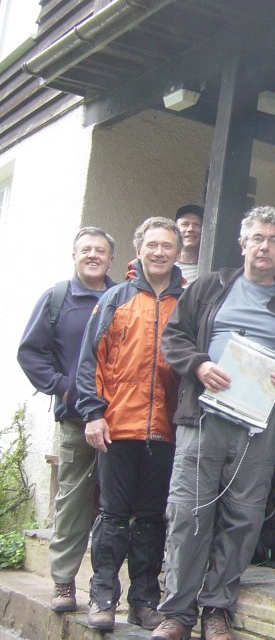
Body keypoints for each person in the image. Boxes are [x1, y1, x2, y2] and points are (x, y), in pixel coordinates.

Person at [153, 206, 275, 640]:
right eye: (257, 238)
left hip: (258, 425)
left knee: (242, 519)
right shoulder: (210, 288)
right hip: (203, 417)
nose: (264, 246)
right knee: (187, 512)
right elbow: (173, 337)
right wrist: (198, 364)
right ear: (243, 244)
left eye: (273, 240)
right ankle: (176, 613)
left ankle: (217, 609)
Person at [75, 217, 184, 631]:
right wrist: (92, 413)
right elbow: (90, 361)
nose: (159, 252)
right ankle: (102, 598)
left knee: (153, 518)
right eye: (152, 244)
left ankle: (144, 601)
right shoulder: (115, 298)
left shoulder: (187, 303)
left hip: (168, 429)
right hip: (117, 426)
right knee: (113, 516)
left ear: (176, 253)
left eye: (167, 246)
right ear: (139, 250)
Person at [17, 227, 116, 613]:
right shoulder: (58, 298)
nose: (93, 256)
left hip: (121, 420)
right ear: (74, 256)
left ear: (111, 258)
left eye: (101, 251)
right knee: (73, 502)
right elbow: (31, 353)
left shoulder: (121, 297)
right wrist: (63, 387)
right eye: (86, 250)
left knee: (117, 507)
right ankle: (63, 583)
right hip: (77, 420)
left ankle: (106, 590)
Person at [174, 204, 203, 284]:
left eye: (197, 225)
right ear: (175, 230)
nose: (190, 229)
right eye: (185, 224)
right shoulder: (165, 268)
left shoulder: (213, 269)